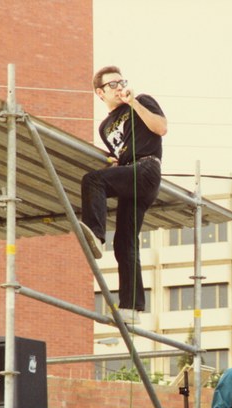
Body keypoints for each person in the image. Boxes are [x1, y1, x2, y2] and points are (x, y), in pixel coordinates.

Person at [79, 65, 167, 322]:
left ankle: (96, 235)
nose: (119, 88)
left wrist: (134, 103)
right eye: (112, 85)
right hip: (130, 175)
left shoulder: (141, 101)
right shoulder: (104, 128)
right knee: (125, 242)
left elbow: (160, 128)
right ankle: (132, 308)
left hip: (147, 168)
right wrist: (119, 162)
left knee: (93, 180)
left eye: (121, 82)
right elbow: (123, 151)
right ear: (100, 92)